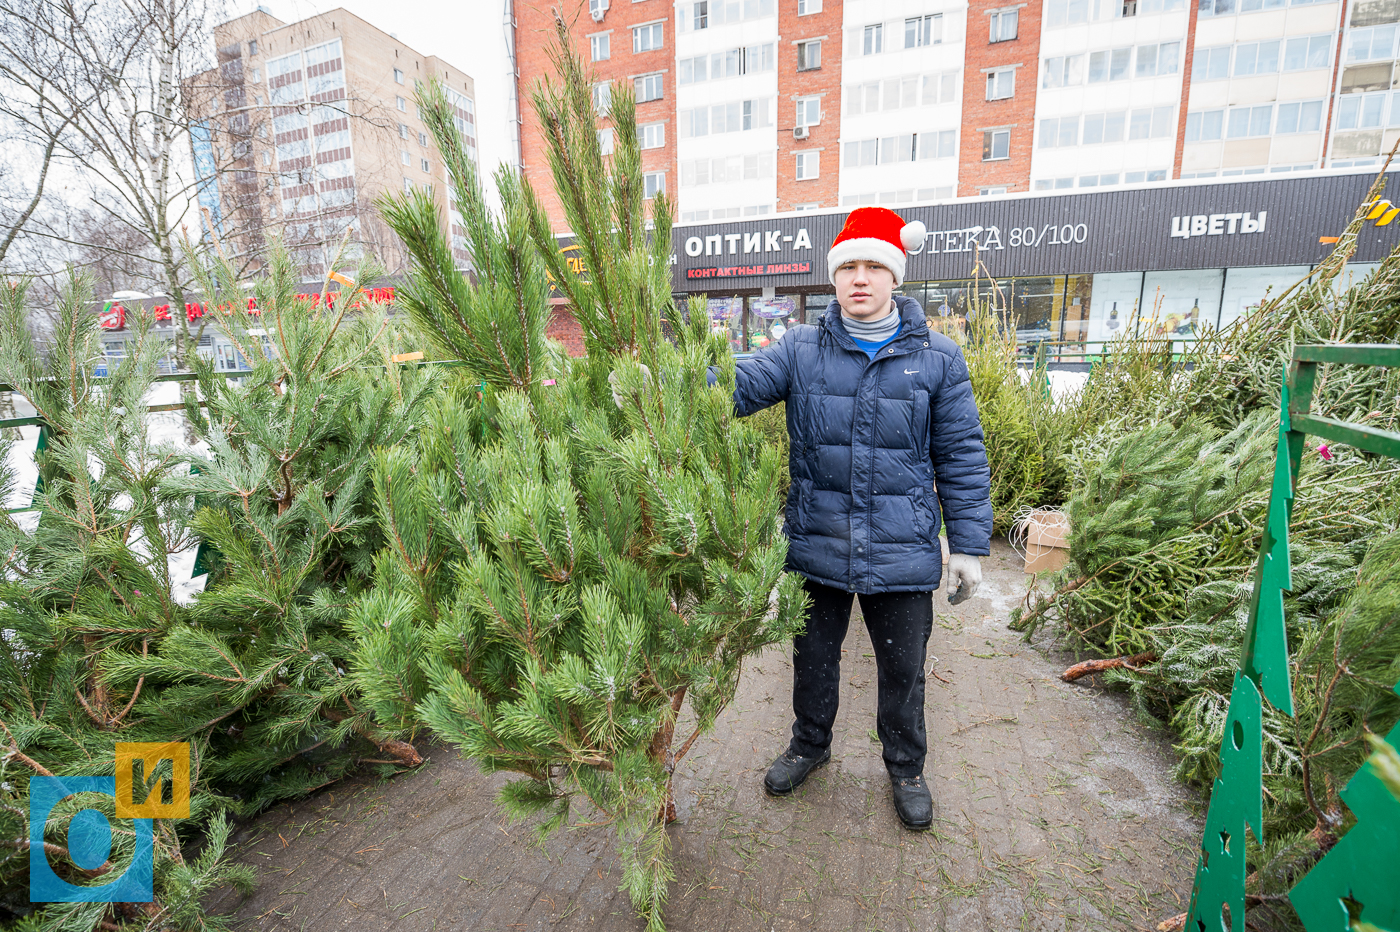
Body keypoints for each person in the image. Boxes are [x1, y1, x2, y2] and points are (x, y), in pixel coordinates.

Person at [717, 206, 993, 830]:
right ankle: (809, 746)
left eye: (873, 266)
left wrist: (970, 546)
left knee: (903, 668)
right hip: (818, 545)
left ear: (895, 276)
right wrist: (667, 383)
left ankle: (906, 768)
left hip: (902, 549)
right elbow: (739, 383)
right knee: (813, 659)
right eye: (848, 267)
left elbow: (962, 455)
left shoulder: (939, 359)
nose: (859, 278)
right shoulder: (801, 349)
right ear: (833, 278)